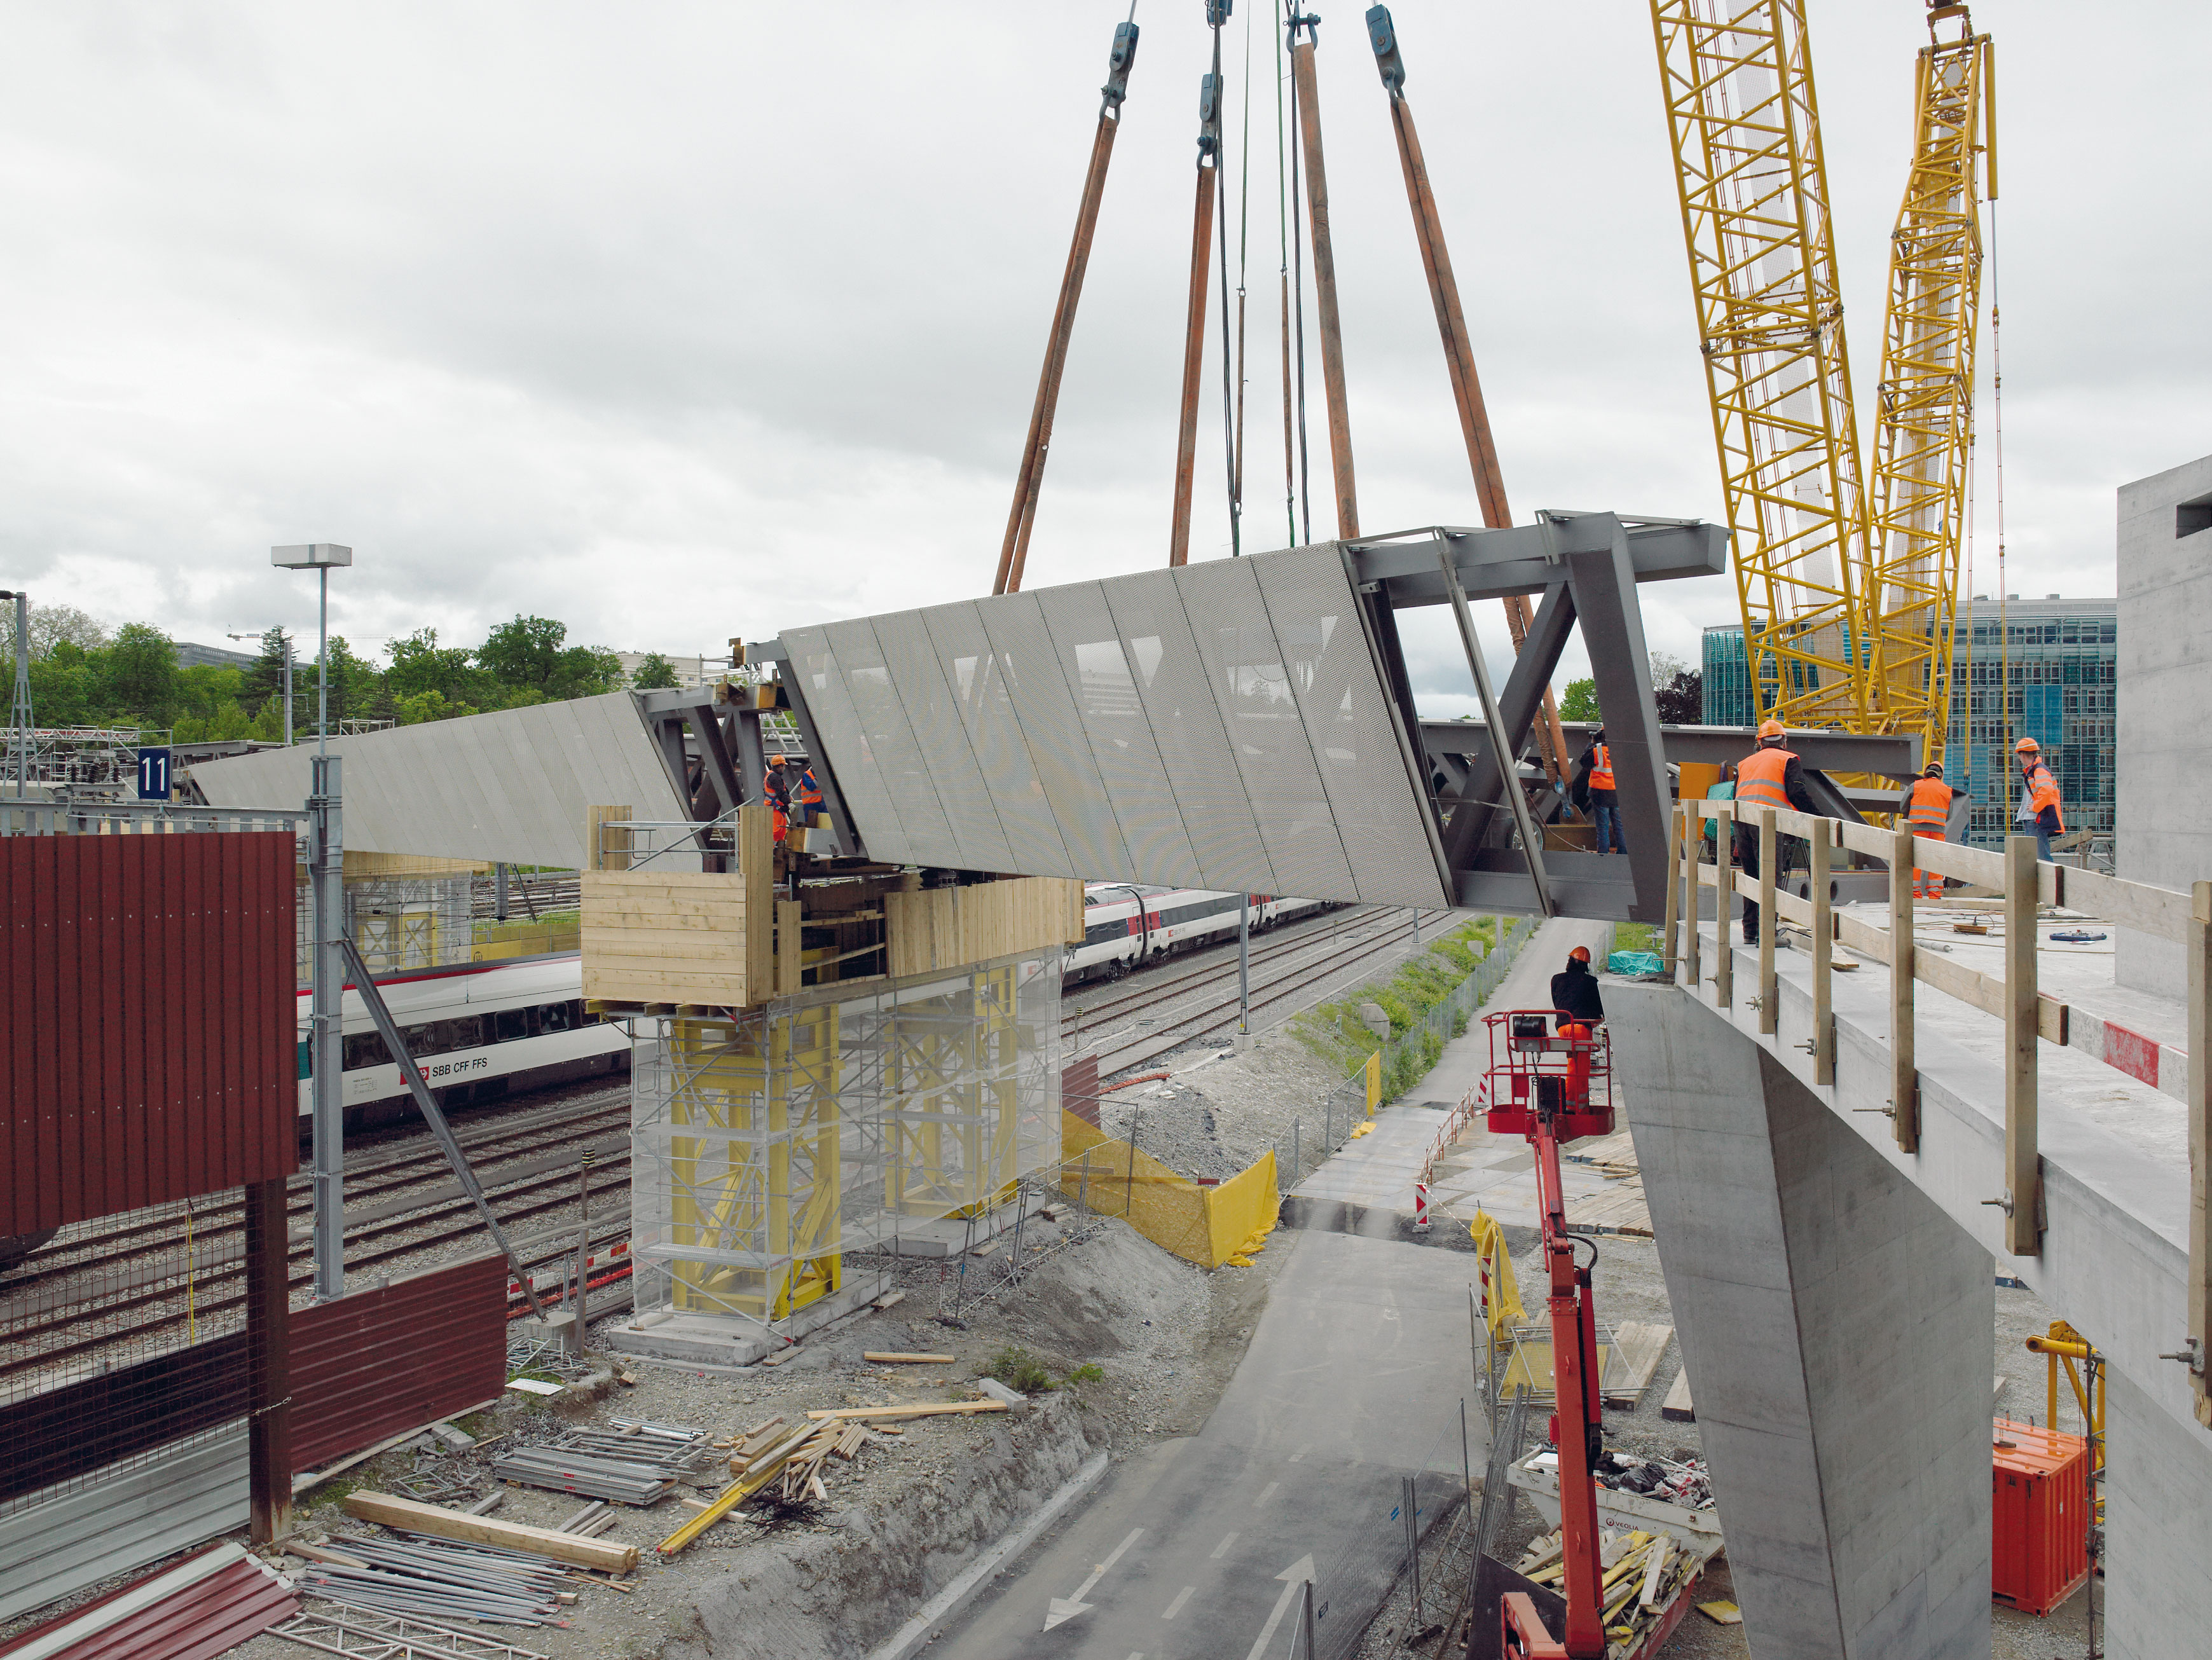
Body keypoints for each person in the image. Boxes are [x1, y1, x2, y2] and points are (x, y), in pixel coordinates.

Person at [1734, 718, 1820, 945]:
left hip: (1742, 822)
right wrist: (1818, 818)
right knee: (1771, 878)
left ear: (1759, 742)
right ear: (1784, 741)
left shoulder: (1745, 763)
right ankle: (1768, 934)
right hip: (1767, 822)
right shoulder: (1788, 759)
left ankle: (1750, 932)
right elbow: (1797, 793)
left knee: (1752, 877)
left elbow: (1737, 795)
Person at [1899, 761, 1957, 900]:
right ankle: (1935, 894)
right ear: (1941, 775)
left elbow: (1903, 807)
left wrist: (1911, 817)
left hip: (1918, 829)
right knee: (1936, 861)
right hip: (1938, 831)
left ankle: (1914, 894)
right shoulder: (1947, 790)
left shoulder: (1916, 785)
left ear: (1926, 773)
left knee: (1915, 861)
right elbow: (1949, 815)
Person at [2014, 737, 2063, 863]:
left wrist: (2035, 807)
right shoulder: (2034, 770)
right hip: (2033, 819)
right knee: (2035, 858)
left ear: (2023, 755)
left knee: (2041, 858)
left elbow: (2046, 791)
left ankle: (2047, 876)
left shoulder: (2039, 770)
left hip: (2035, 819)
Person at [1579, 729, 1625, 856]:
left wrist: (1592, 743)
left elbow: (1583, 761)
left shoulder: (1597, 749)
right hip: (1617, 792)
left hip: (1600, 793)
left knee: (1602, 828)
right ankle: (1623, 855)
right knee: (1620, 827)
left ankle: (1603, 856)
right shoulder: (1621, 749)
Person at [1549, 944, 1605, 1030]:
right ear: (1585, 965)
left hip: (1562, 1027)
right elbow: (1597, 1004)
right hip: (1581, 1027)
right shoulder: (1591, 981)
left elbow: (1557, 1002)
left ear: (1570, 962)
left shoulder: (1556, 979)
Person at [1701, 760, 1737, 863]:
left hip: (1718, 815)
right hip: (1727, 814)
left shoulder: (1718, 788)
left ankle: (1724, 857)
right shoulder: (1730, 787)